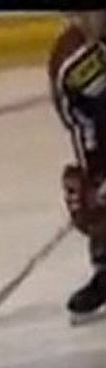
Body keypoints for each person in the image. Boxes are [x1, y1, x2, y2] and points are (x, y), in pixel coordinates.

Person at [50, 11, 106, 323]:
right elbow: (88, 130)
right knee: (92, 194)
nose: (83, 20)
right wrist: (95, 184)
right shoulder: (73, 65)